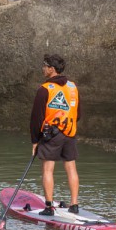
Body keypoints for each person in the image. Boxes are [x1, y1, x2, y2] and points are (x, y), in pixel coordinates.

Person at [30, 54, 80, 216]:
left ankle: (49, 207)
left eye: (45, 65)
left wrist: (35, 141)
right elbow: (78, 113)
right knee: (71, 167)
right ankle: (74, 204)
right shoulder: (73, 87)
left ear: (52, 69)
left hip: (51, 135)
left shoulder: (44, 90)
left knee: (47, 170)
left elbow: (36, 118)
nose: (42, 68)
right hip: (69, 132)